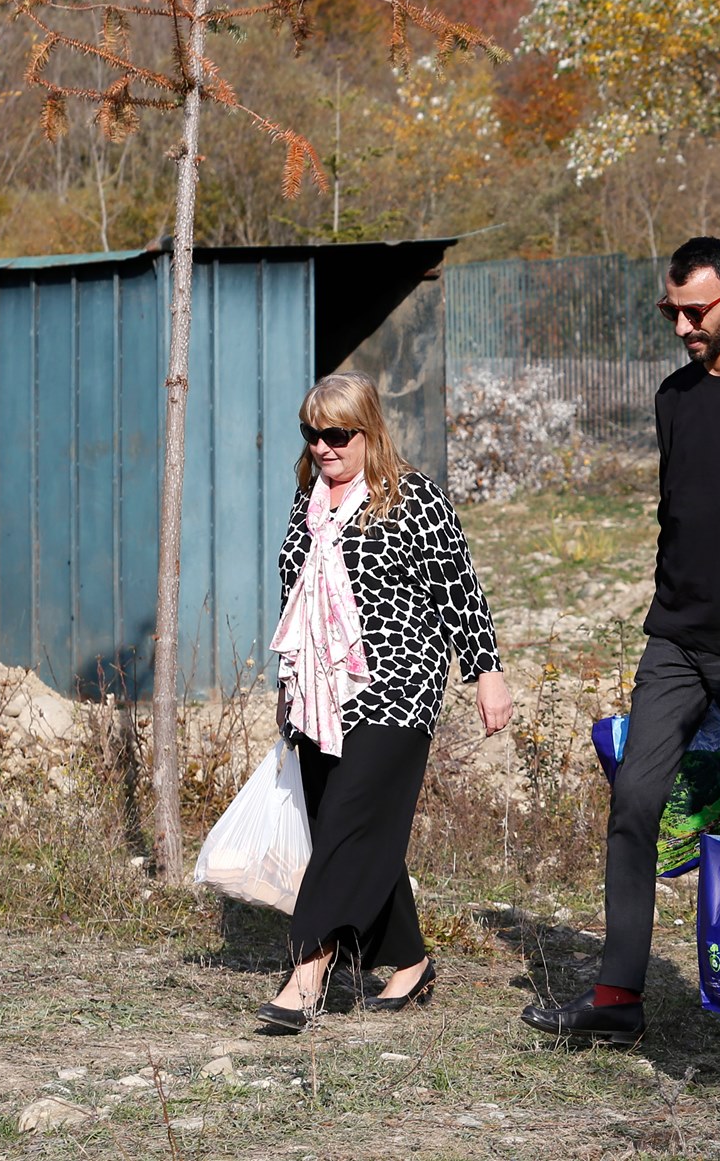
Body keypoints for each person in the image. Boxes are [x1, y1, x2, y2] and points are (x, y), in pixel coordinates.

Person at [522, 236, 720, 1049]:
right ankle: (618, 994)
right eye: (672, 311)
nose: (684, 326)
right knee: (635, 799)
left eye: (697, 310)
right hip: (676, 640)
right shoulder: (673, 396)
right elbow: (679, 513)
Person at [258, 372, 512, 1033]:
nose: (323, 446)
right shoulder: (309, 501)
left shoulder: (414, 497)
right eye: (312, 433)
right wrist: (288, 684)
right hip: (322, 690)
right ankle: (411, 961)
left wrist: (486, 671)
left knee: (349, 821)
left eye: (337, 434)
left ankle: (307, 970)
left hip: (399, 684)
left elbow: (459, 587)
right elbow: (294, 595)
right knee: (350, 827)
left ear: (368, 431)